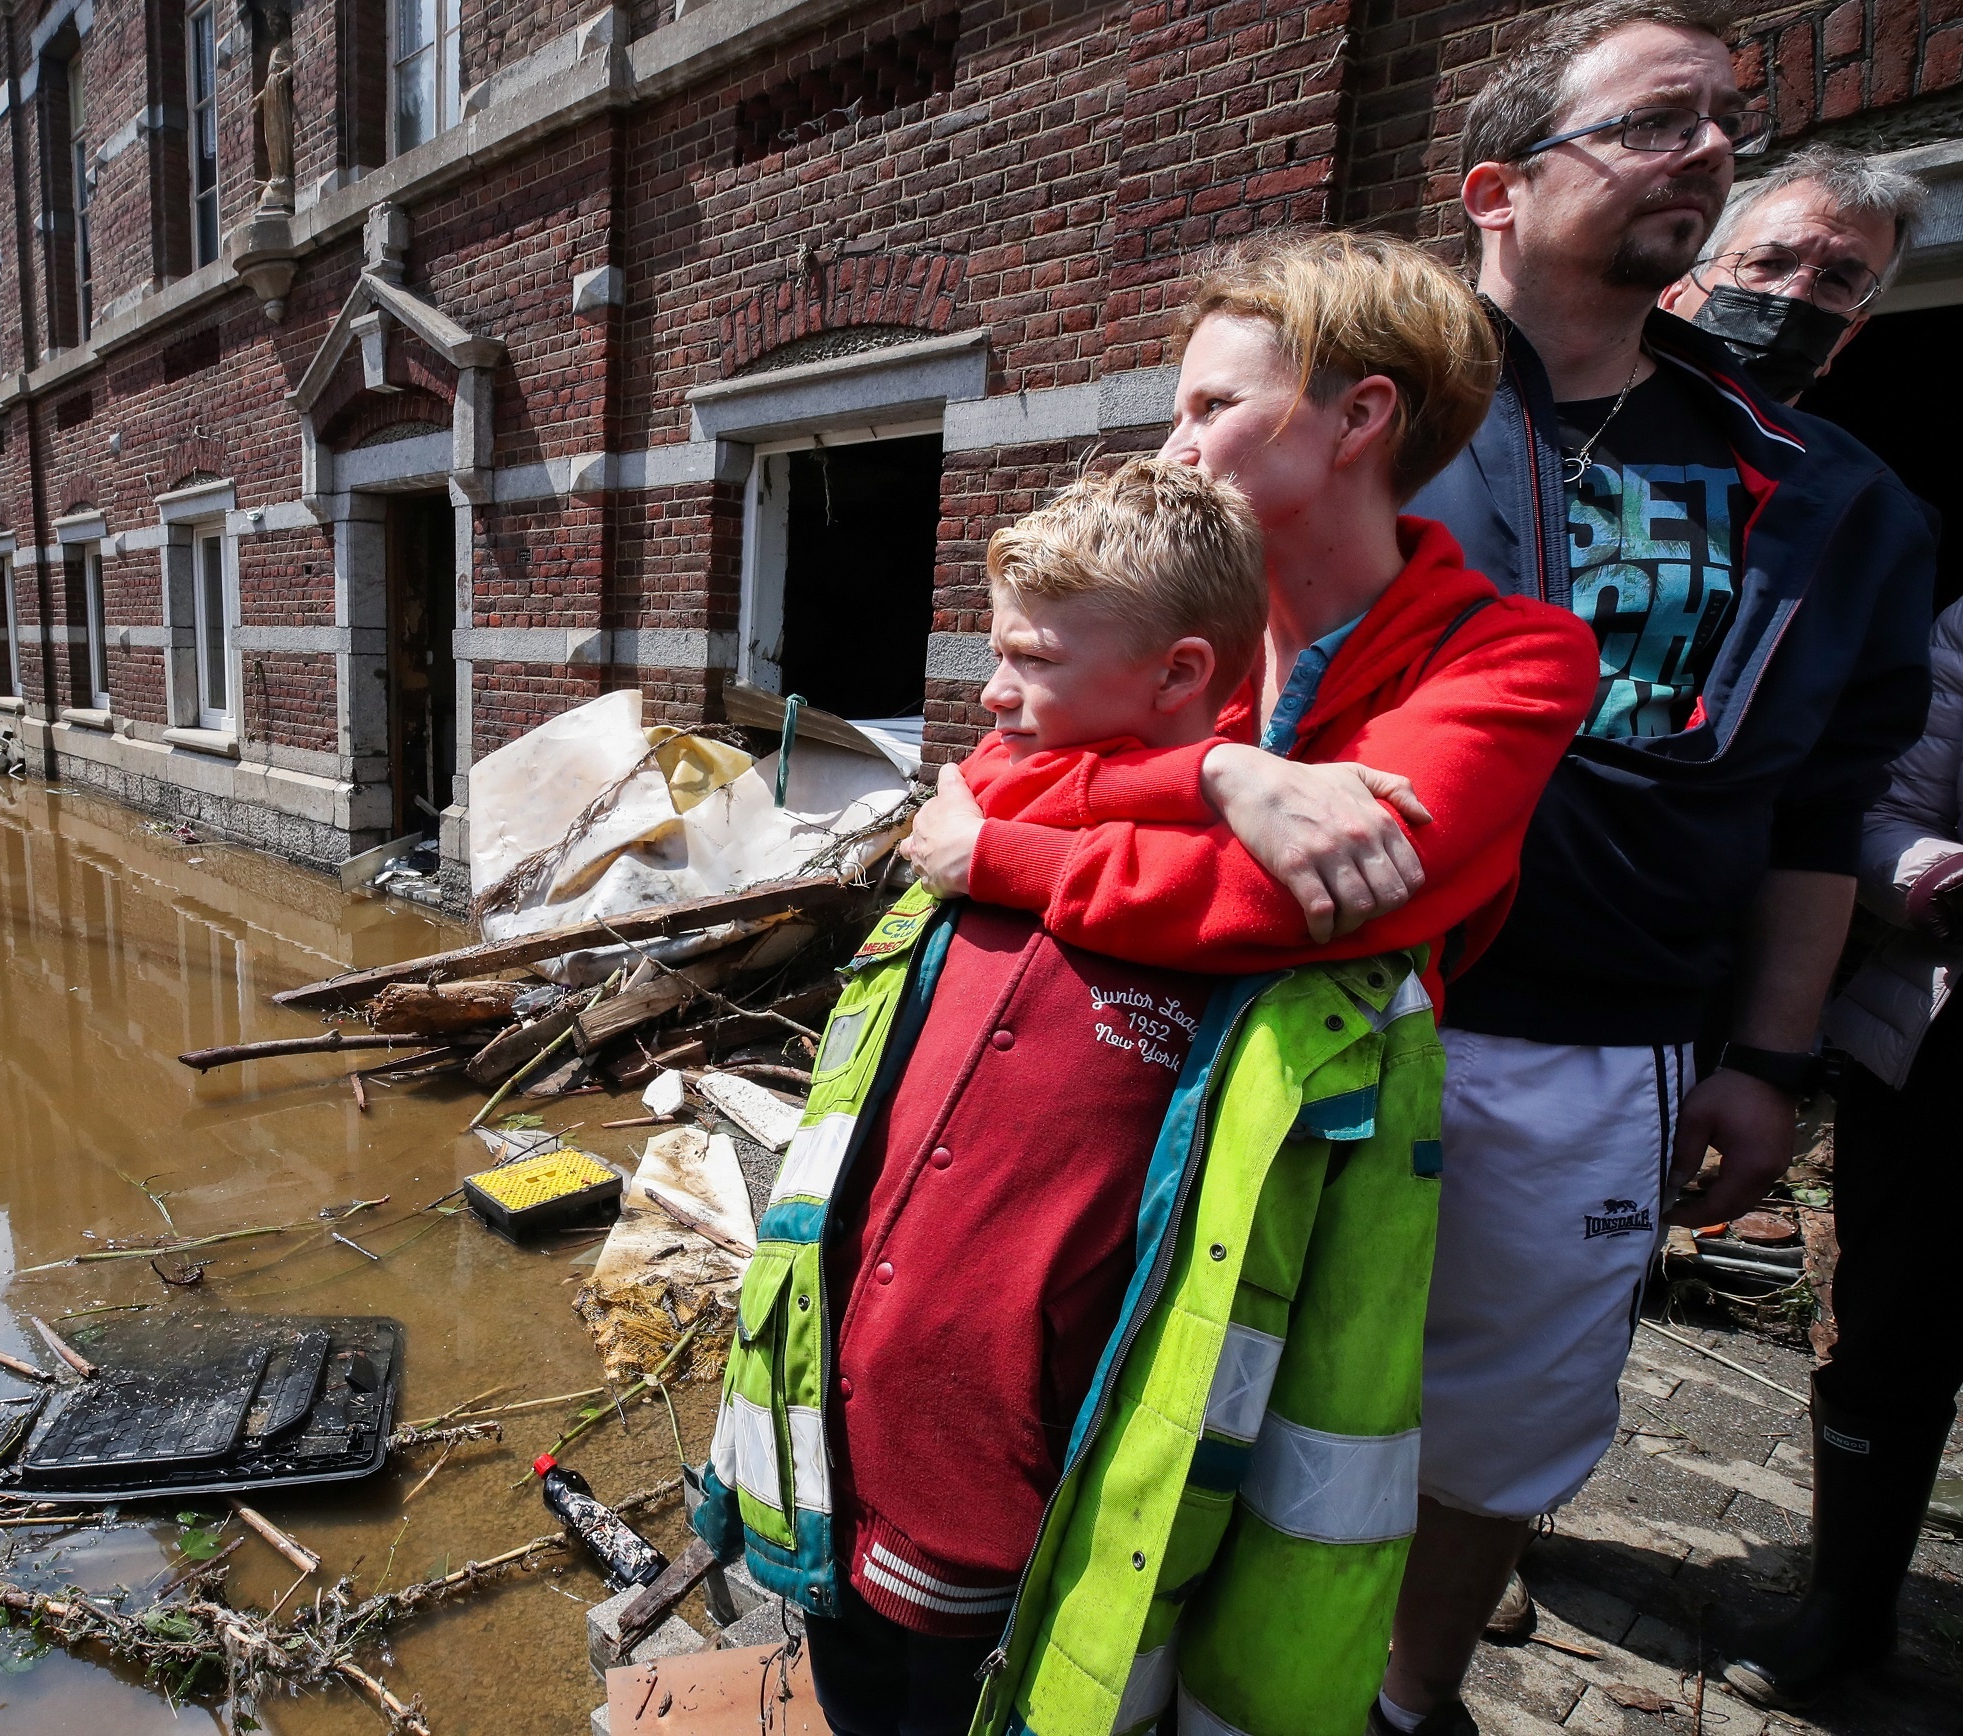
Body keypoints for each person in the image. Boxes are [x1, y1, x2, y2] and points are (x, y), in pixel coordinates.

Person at [694, 232, 1595, 1736]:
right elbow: (974, 796)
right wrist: (1226, 769)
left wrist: (1046, 846)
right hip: (1014, 1218)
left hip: (1246, 1216)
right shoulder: (1189, 652)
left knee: (1149, 1546)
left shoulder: (1509, 661)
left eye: (1210, 407)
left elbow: (1296, 909)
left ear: (1359, 418)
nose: (1174, 443)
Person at [1366, 3, 1939, 1729]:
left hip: (1597, 1046)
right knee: (1227, 1369)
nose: (1706, 146)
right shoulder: (1357, 395)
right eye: (1656, 120)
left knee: (1500, 1426)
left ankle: (1408, 1692)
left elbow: (1819, 809)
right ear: (1500, 184)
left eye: (1726, 124)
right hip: (1316, 1004)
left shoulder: (1833, 503)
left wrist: (1767, 1056)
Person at [1724, 597, 1963, 1704]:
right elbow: (1876, 809)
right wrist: (1932, 877)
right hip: (1938, 1056)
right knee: (1888, 1329)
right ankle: (1845, 1604)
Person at [1659, 142, 1927, 404]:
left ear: (1846, 337)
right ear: (1673, 291)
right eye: (1769, 263)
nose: (1794, 294)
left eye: (1837, 281)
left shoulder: (1835, 450)